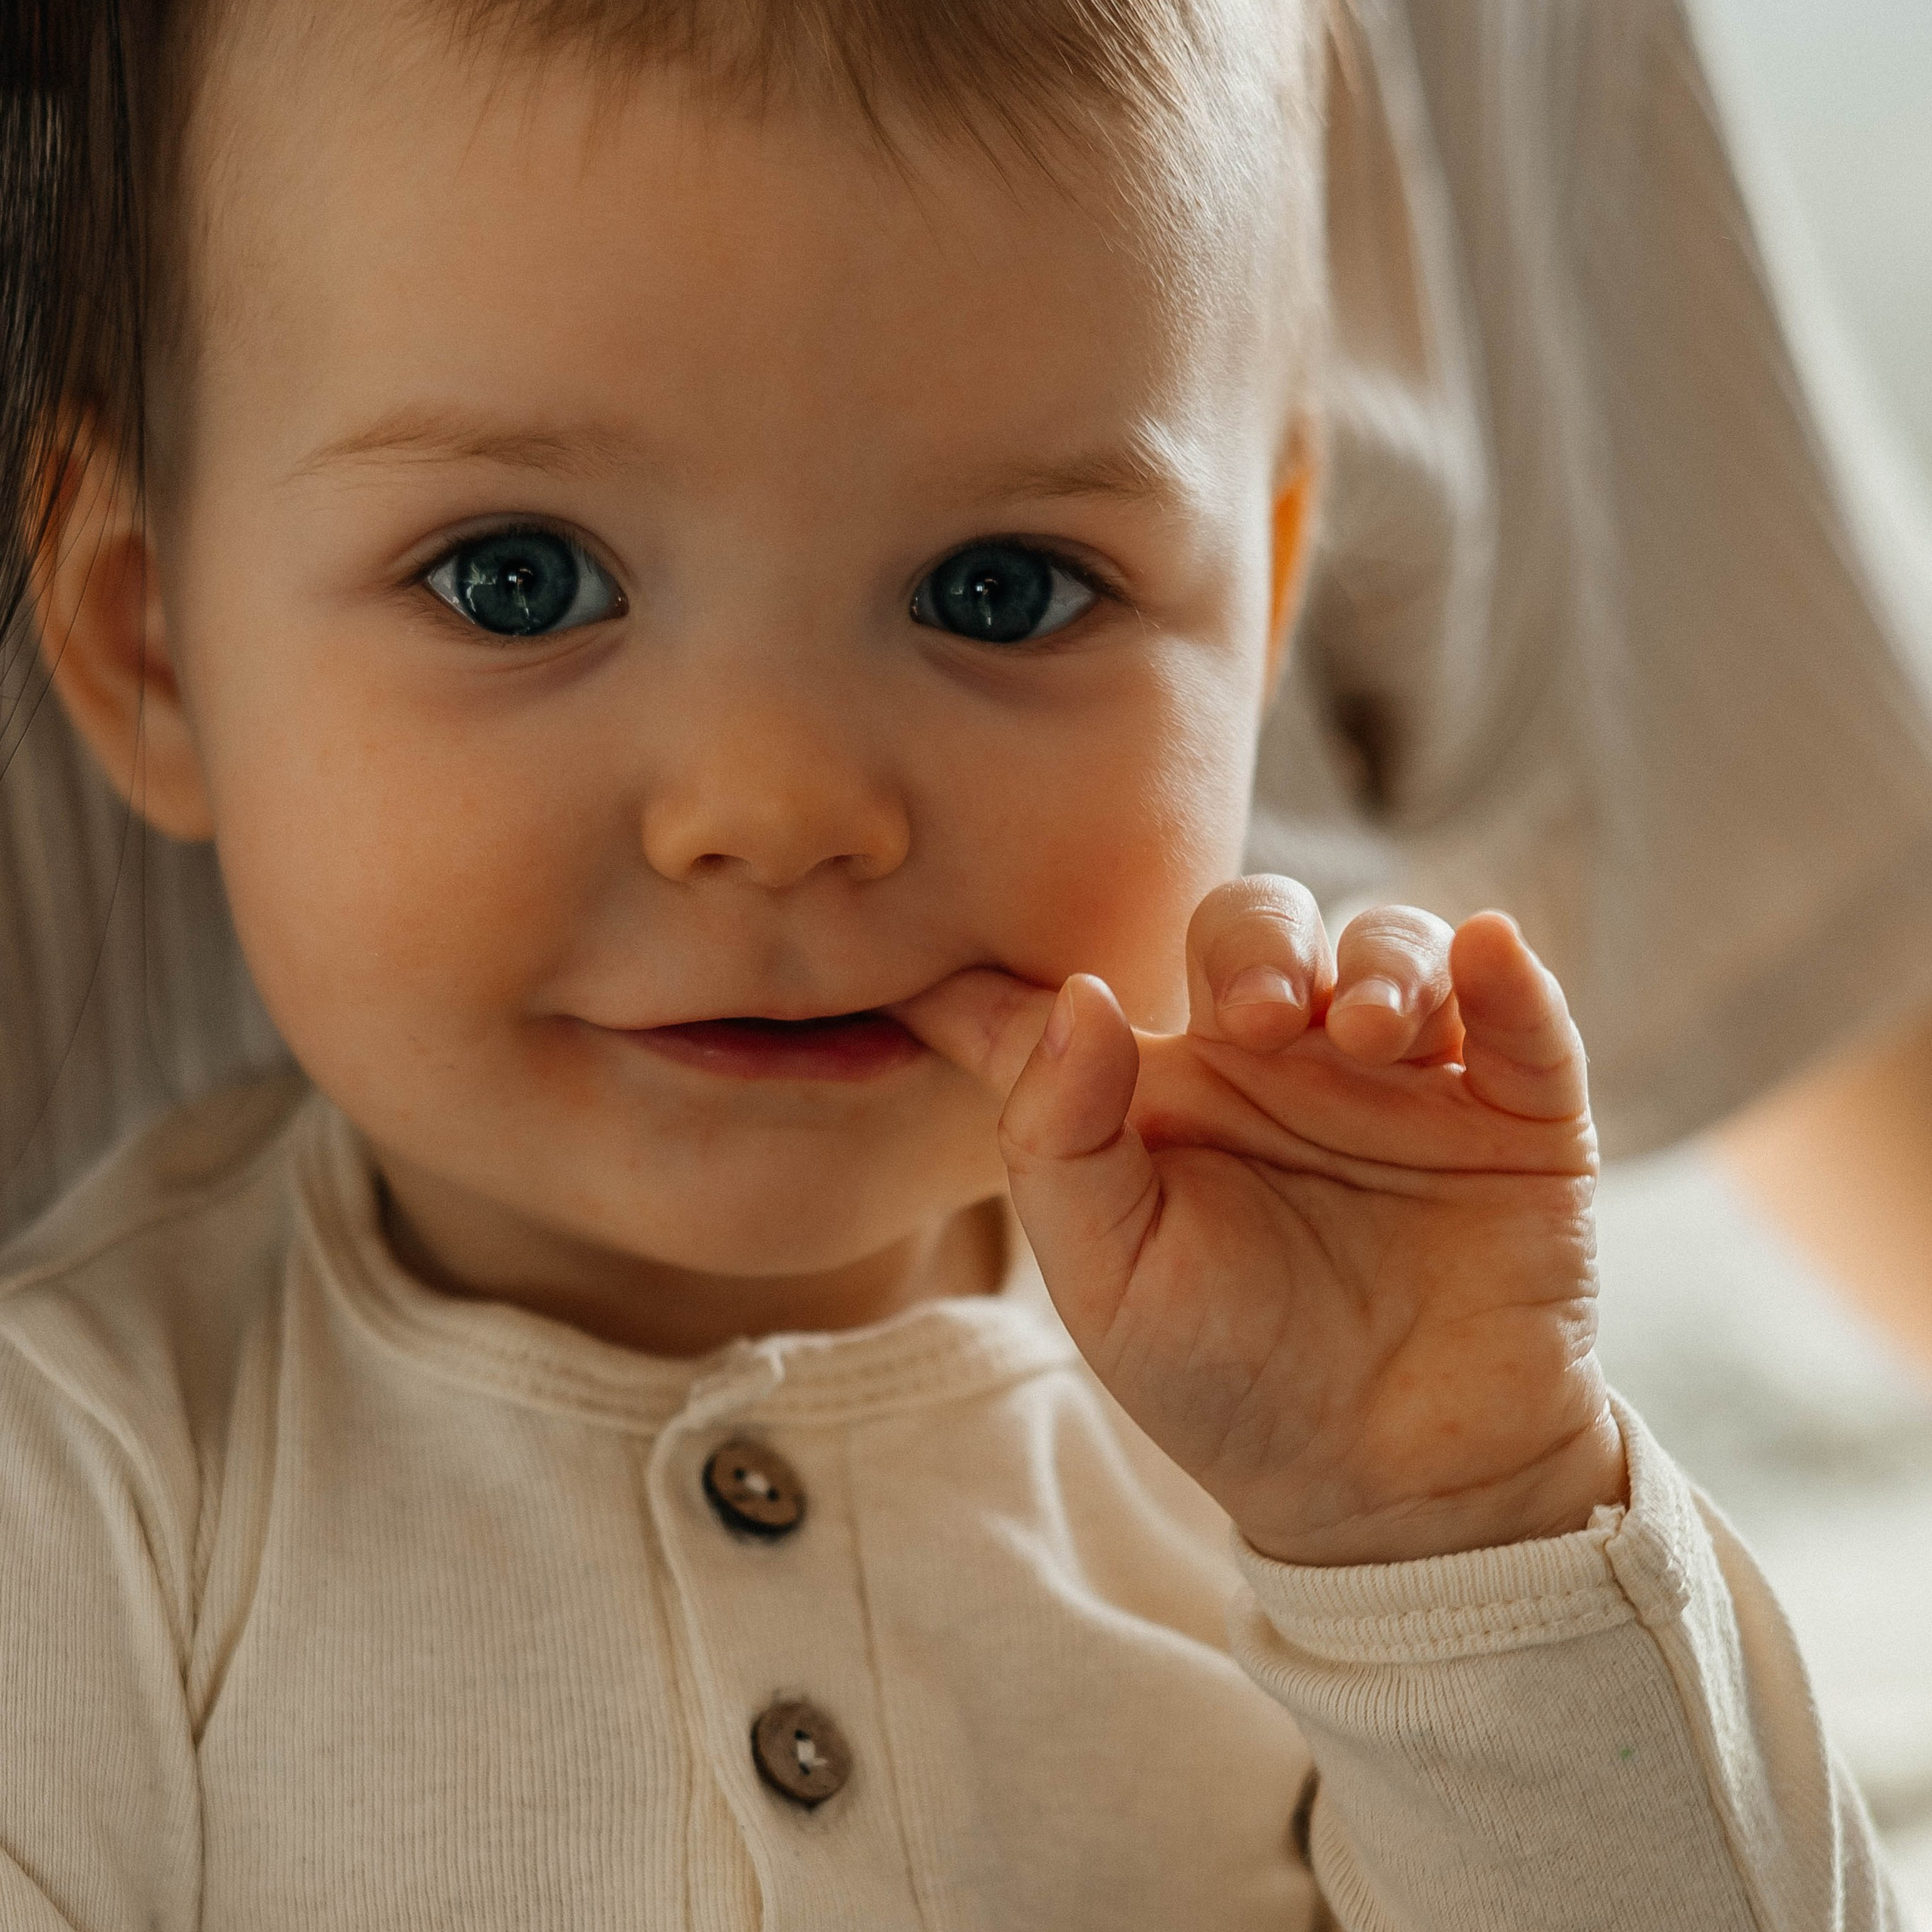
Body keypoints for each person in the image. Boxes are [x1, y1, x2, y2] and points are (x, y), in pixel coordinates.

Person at [0, 1, 1906, 1927]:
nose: (778, 803)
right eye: (519, 576)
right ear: (150, 645)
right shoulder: (82, 1501)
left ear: (1263, 600)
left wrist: (1463, 1534)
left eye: (1002, 588)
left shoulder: (1331, 1465)